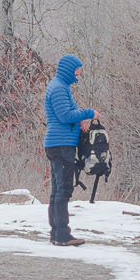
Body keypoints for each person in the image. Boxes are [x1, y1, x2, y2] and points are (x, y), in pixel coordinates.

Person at [43, 53, 96, 246]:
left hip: (59, 143)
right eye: (77, 70)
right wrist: (89, 113)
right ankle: (62, 233)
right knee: (63, 189)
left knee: (58, 189)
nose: (78, 74)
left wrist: (80, 119)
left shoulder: (61, 87)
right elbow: (65, 115)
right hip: (61, 144)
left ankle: (56, 232)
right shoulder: (58, 88)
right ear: (68, 69)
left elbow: (68, 114)